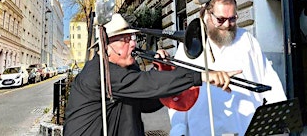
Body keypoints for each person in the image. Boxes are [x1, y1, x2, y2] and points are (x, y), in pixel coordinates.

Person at [63, 14, 241, 136]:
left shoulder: (125, 71)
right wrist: (202, 76)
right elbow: (146, 83)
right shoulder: (100, 73)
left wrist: (161, 71)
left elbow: (147, 102)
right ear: (106, 45)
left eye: (133, 38)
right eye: (126, 39)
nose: (133, 44)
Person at [165, 0, 287, 136]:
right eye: (221, 19)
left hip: (244, 127)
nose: (227, 25)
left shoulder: (247, 40)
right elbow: (179, 93)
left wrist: (279, 117)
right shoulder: (190, 46)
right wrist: (179, 128)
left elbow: (268, 79)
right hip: (202, 129)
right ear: (208, 15)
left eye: (232, 18)